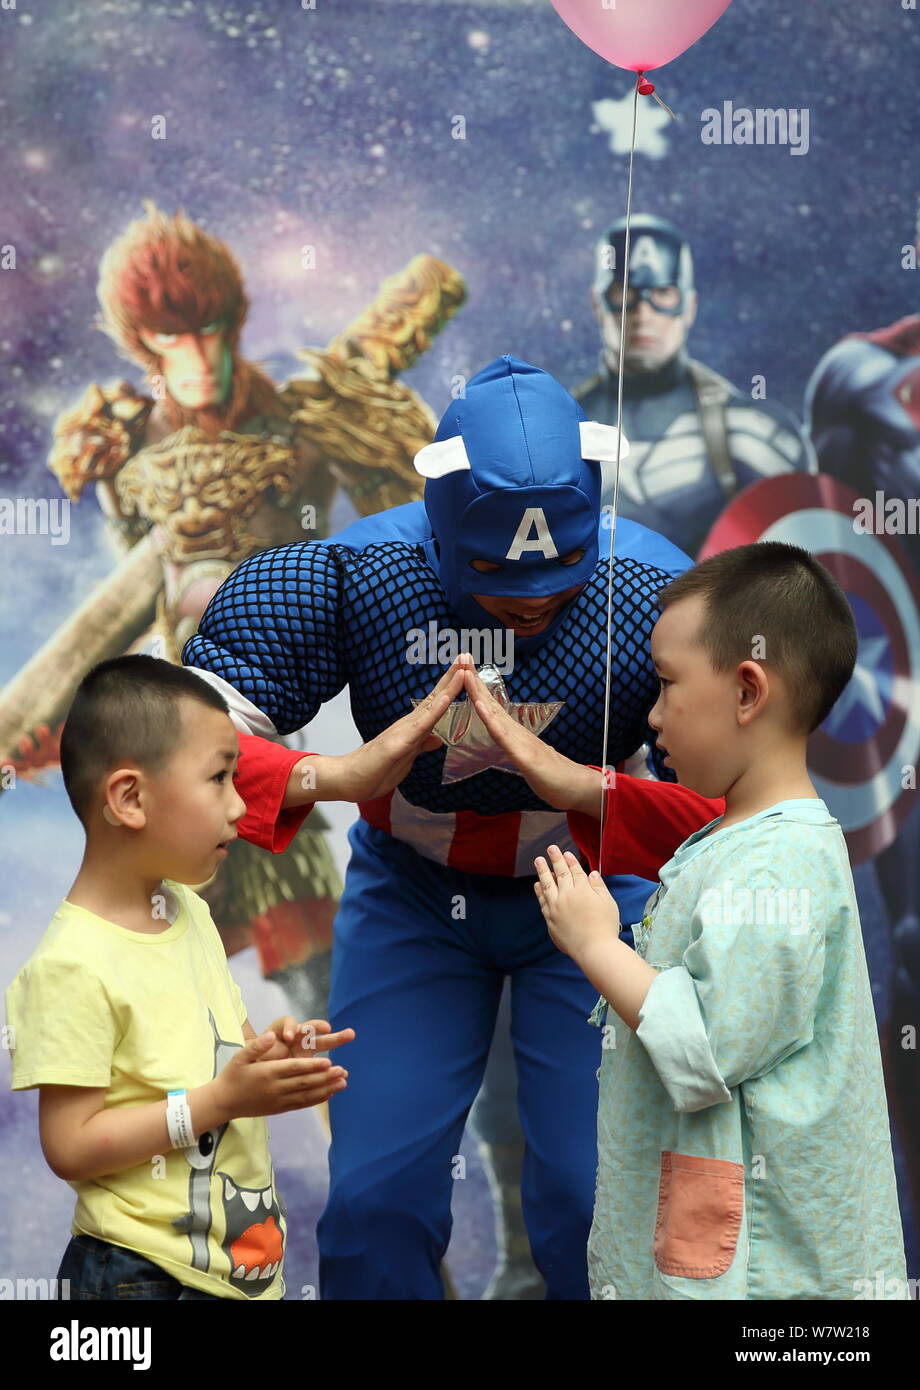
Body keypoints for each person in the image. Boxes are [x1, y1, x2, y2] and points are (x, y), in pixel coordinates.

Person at [181, 353, 691, 1299]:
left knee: (598, 1196)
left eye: (558, 571)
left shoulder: (657, 590)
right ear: (442, 519)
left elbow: (736, 811)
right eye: (497, 572)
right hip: (415, 897)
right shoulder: (353, 573)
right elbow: (182, 741)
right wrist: (334, 775)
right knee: (377, 1200)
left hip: (592, 897)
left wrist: (587, 793)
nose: (532, 599)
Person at [463, 541, 909, 1299]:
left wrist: (596, 943)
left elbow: (703, 1047)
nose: (653, 714)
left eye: (667, 685)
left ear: (746, 692)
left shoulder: (777, 867)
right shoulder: (744, 840)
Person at [3, 655, 357, 1300]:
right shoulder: (68, 967)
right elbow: (70, 1146)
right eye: (220, 778)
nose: (241, 805)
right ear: (130, 798)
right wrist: (219, 1102)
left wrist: (271, 1054)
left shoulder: (189, 910)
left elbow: (226, 1052)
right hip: (140, 1280)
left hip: (238, 1274)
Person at [573, 213, 815, 557]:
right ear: (598, 304)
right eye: (625, 293)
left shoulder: (751, 432)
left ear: (689, 306)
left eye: (662, 294)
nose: (643, 314)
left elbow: (807, 578)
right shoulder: (560, 430)